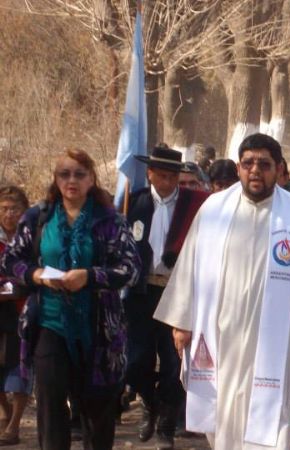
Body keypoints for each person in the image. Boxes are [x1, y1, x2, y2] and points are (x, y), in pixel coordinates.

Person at [152, 133, 290, 450]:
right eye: (248, 163)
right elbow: (190, 264)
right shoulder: (214, 209)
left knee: (270, 417)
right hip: (221, 331)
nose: (255, 170)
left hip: (275, 334)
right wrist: (182, 320)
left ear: (279, 169)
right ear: (238, 167)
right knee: (221, 410)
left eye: (264, 164)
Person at [1, 149, 141, 450]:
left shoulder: (110, 220)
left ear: (92, 178)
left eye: (79, 173)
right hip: (50, 322)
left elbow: (131, 269)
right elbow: (11, 260)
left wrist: (89, 277)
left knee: (97, 414)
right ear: (55, 179)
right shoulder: (38, 217)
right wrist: (36, 274)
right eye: (64, 173)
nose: (71, 180)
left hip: (100, 329)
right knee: (50, 406)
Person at [125, 145, 210, 449]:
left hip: (178, 292)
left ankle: (167, 425)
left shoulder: (196, 205)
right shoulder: (132, 203)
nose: (167, 182)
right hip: (141, 292)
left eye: (173, 175)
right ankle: (150, 401)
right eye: (161, 175)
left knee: (175, 364)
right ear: (149, 173)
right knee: (135, 362)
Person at [0, 186, 31, 446]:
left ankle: (15, 423)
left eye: (14, 209)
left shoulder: (31, 238)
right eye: (4, 209)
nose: (9, 214)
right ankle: (4, 413)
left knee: (20, 366)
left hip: (24, 309)